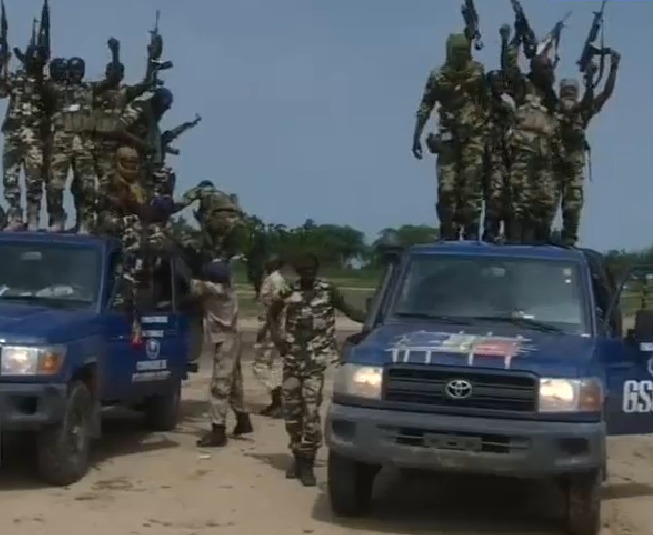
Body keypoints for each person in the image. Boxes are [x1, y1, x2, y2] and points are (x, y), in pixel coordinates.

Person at [268, 252, 365, 486]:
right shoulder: (288, 291)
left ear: (317, 270)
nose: (308, 274)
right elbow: (271, 314)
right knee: (292, 413)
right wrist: (277, 339)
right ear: (298, 272)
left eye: (312, 270)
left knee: (311, 412)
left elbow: (349, 311)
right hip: (292, 360)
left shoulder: (328, 290)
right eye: (304, 270)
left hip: (316, 363)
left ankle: (308, 463)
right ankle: (297, 456)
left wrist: (372, 320)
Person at [412, 32, 487, 240]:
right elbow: (426, 105)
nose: (461, 55)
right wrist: (416, 136)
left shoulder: (478, 72)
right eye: (457, 51)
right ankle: (448, 232)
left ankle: (472, 234)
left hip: (473, 138)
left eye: (464, 51)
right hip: (448, 140)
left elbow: (488, 100)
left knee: (471, 190)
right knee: (447, 189)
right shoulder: (438, 76)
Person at [501, 23, 562, 242]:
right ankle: (517, 243)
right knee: (520, 201)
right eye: (545, 68)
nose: (550, 72)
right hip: (523, 151)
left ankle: (540, 242)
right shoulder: (523, 86)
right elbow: (509, 67)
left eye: (551, 69)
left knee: (544, 201)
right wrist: (515, 38)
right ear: (535, 70)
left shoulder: (551, 97)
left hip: (544, 154)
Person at [555, 51, 620, 246]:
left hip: (573, 166)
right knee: (543, 206)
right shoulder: (551, 107)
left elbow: (606, 94)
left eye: (571, 91)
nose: (568, 93)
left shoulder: (583, 113)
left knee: (573, 205)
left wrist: (613, 69)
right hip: (550, 165)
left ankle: (568, 241)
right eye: (565, 90)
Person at [193, 260, 253, 448]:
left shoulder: (212, 289)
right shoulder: (227, 287)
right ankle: (243, 419)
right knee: (233, 381)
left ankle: (218, 431)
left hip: (225, 339)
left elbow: (185, 282)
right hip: (233, 336)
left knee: (219, 385)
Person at [44, 57, 96, 232]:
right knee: (55, 183)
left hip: (83, 142)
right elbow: (44, 84)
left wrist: (115, 53)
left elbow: (111, 82)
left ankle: (85, 220)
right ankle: (57, 217)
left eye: (81, 70)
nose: (77, 73)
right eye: (74, 70)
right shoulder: (57, 88)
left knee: (86, 185)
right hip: (62, 141)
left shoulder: (89, 89)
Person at [0, 45, 47, 230]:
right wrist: (4, 60)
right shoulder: (16, 78)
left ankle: (33, 216)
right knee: (10, 178)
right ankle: (15, 216)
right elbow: (2, 89)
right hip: (13, 134)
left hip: (34, 135)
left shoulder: (44, 82)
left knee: (34, 179)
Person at [252, 255, 288, 418]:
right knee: (273, 365)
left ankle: (278, 396)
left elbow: (277, 307)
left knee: (261, 365)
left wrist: (267, 328)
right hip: (272, 327)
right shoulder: (273, 279)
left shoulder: (276, 281)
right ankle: (276, 401)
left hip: (272, 329)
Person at [483, 68, 514, 241]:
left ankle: (491, 232)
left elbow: (510, 131)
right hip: (476, 156)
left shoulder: (506, 109)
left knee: (496, 196)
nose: (499, 86)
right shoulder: (479, 106)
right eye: (495, 82)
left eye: (501, 83)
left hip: (497, 158)